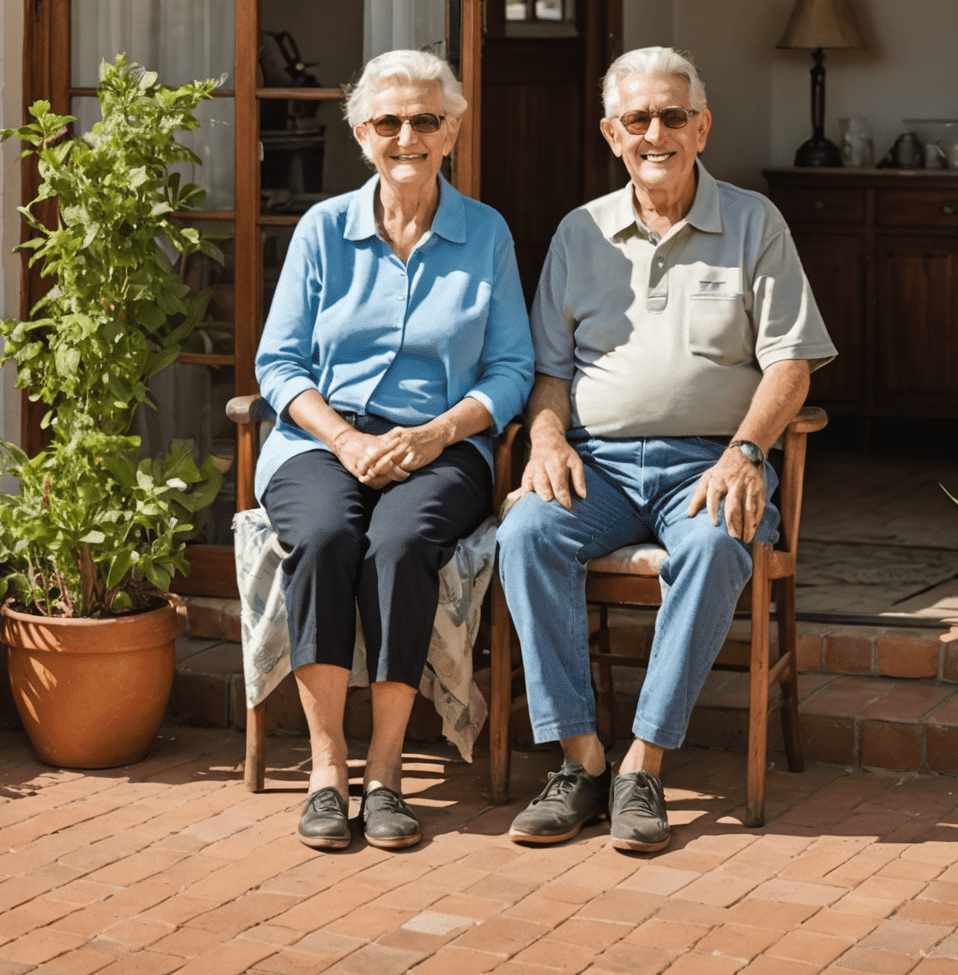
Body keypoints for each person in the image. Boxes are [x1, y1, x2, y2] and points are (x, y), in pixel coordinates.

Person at [496, 46, 836, 853]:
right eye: (639, 119)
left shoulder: (755, 221)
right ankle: (580, 760)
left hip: (707, 464)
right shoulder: (580, 233)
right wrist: (545, 437)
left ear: (702, 127)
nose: (657, 132)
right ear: (613, 134)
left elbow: (791, 363)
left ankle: (641, 765)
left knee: (721, 547)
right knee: (524, 533)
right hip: (598, 465)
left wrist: (746, 453)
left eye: (673, 116)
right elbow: (547, 371)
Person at [254, 48, 534, 853]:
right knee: (327, 536)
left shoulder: (485, 234)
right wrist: (343, 440)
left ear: (452, 130)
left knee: (400, 543)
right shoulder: (322, 231)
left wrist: (438, 432)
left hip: (441, 443)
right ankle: (325, 769)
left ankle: (384, 775)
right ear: (361, 134)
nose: (405, 136)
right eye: (387, 121)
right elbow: (279, 363)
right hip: (321, 437)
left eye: (424, 120)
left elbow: (512, 367)